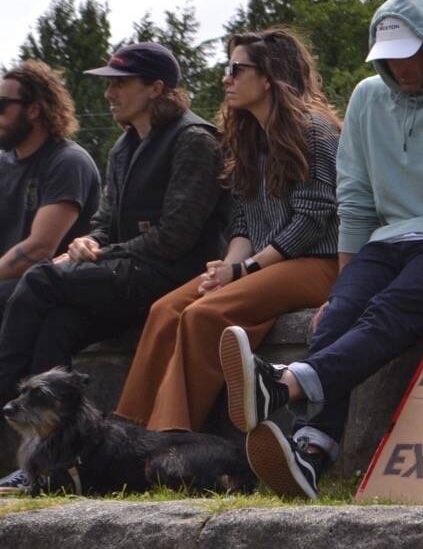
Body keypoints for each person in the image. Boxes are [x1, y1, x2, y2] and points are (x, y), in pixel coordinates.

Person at [218, 0, 423, 499]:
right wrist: (343, 288)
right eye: (386, 57)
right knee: (338, 317)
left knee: (385, 313)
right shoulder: (367, 98)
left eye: (407, 52)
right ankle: (312, 454)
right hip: (388, 240)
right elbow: (355, 198)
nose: (398, 66)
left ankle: (284, 385)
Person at [0, 42, 226, 493]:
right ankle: (50, 463)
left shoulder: (194, 140)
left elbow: (176, 236)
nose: (110, 94)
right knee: (58, 325)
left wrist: (106, 252)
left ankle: (7, 392)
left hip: (173, 275)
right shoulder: (125, 145)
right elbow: (105, 222)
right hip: (128, 273)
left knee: (40, 279)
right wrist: (89, 241)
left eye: (120, 83)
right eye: (109, 84)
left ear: (156, 87)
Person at [115, 29, 341, 432]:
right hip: (264, 264)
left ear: (269, 76)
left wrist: (244, 271)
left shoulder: (315, 131)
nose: (226, 78)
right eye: (227, 68)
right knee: (165, 310)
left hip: (318, 263)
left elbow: (311, 220)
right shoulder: (246, 137)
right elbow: (242, 224)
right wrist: (227, 270)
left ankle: (170, 438)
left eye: (237, 69)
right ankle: (125, 433)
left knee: (204, 314)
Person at [0, 61, 101, 314]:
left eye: (2, 106)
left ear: (34, 110)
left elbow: (40, 248)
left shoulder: (67, 162)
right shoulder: (4, 164)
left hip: (55, 284)